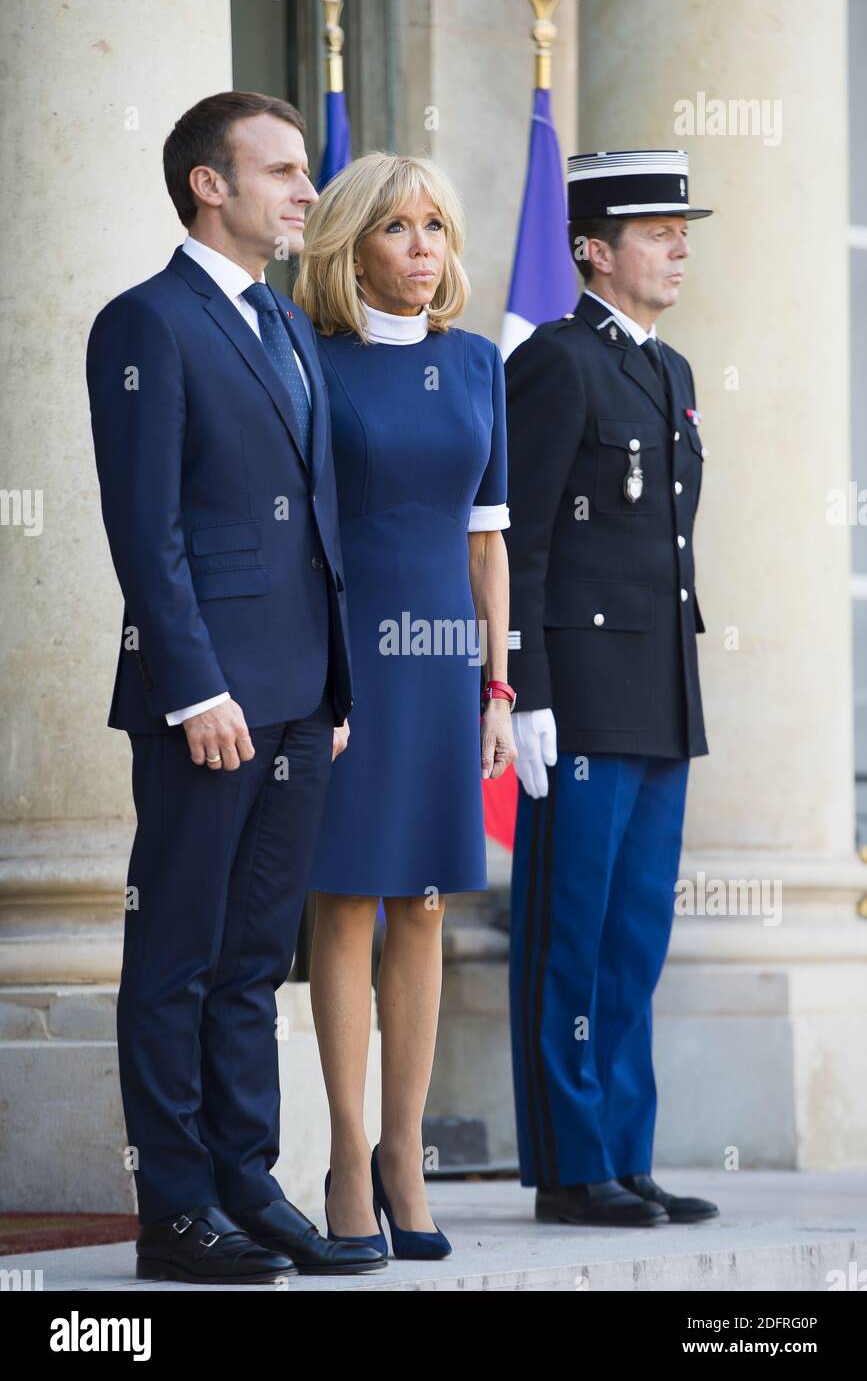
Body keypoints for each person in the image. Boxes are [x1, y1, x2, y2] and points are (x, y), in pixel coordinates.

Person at [86, 90, 386, 1282]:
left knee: (258, 955)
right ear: (209, 184)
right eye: (282, 171)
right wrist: (191, 683)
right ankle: (172, 1208)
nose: (308, 192)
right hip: (205, 699)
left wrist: (337, 688)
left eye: (304, 172)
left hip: (304, 698)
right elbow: (142, 523)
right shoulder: (145, 324)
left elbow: (315, 523)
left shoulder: (286, 324)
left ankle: (244, 1181)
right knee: (178, 950)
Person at [293, 152, 517, 1259]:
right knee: (343, 900)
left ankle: (403, 1156)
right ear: (349, 245)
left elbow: (488, 539)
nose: (424, 248)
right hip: (346, 659)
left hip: (440, 665)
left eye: (437, 226)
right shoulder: (310, 360)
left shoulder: (477, 366)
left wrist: (499, 684)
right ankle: (342, 1156)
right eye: (398, 227)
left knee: (424, 904)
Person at [504, 149, 720, 1227]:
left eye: (684, 228)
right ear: (593, 248)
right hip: (580, 697)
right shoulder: (553, 362)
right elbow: (522, 541)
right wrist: (524, 686)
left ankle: (626, 1151)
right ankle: (570, 1162)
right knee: (569, 934)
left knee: (635, 939)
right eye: (656, 229)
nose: (680, 244)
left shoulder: (669, 370)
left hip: (657, 689)